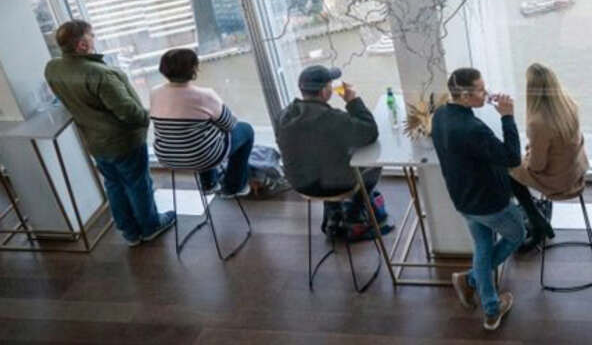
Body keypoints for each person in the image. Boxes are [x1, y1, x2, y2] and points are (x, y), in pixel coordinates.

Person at [43, 20, 176, 246]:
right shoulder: (100, 74)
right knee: (137, 183)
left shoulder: (52, 68)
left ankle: (130, 232)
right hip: (123, 141)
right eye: (91, 35)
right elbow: (128, 112)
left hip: (94, 142)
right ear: (83, 45)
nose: (94, 39)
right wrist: (153, 116)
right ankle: (151, 227)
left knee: (114, 184)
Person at [432, 67, 525, 332]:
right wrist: (508, 117)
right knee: (517, 234)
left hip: (463, 200)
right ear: (463, 96)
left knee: (483, 247)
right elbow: (512, 157)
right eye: (481, 90)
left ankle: (491, 309)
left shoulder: (440, 115)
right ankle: (471, 281)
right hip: (490, 203)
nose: (487, 92)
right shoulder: (471, 129)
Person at [273, 65, 386, 240]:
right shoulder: (333, 119)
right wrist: (353, 101)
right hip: (334, 186)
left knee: (321, 157)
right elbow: (370, 133)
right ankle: (354, 215)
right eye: (330, 84)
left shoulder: (283, 115)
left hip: (300, 183)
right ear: (325, 91)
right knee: (374, 159)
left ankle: (334, 212)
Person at [149, 48, 254, 198]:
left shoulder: (155, 92)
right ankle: (234, 186)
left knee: (196, 133)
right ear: (193, 69)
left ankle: (209, 184)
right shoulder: (205, 95)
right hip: (202, 157)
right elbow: (230, 125)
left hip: (166, 157)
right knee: (246, 130)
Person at [509, 63, 587, 245]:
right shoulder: (569, 105)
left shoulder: (538, 122)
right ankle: (537, 216)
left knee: (509, 171)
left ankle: (537, 222)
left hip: (558, 181)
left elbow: (537, 166)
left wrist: (527, 155)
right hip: (574, 172)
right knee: (516, 167)